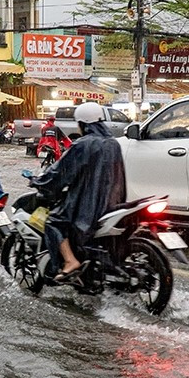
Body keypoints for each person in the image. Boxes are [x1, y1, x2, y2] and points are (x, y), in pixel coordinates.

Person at [29, 102, 126, 282]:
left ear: (82, 124)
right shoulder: (113, 143)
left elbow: (60, 172)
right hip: (112, 202)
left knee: (53, 221)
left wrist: (39, 181)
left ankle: (70, 261)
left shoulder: (84, 144)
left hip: (89, 204)